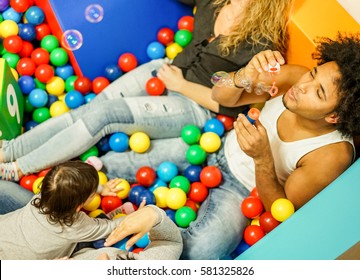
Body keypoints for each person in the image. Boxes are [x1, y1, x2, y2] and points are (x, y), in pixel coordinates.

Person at [99, 32, 360, 259]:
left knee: (200, 250)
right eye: (314, 74)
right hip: (213, 143)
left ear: (334, 116)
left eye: (318, 92)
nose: (303, 86)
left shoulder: (332, 155)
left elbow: (280, 210)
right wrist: (241, 76)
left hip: (243, 192)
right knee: (110, 164)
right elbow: (218, 90)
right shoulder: (295, 78)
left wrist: (262, 158)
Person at [0, 0, 294, 182]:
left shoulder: (263, 42)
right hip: (165, 69)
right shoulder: (216, 2)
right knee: (87, 110)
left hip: (196, 105)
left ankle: (19, 168)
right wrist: (173, 76)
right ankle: (9, 151)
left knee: (103, 114)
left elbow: (230, 104)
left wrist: (182, 85)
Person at [0, 161, 182, 260]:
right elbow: (110, 227)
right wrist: (137, 216)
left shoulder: (41, 197)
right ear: (79, 206)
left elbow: (67, 187)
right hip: (22, 260)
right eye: (93, 193)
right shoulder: (76, 226)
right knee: (96, 239)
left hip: (5, 235)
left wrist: (101, 189)